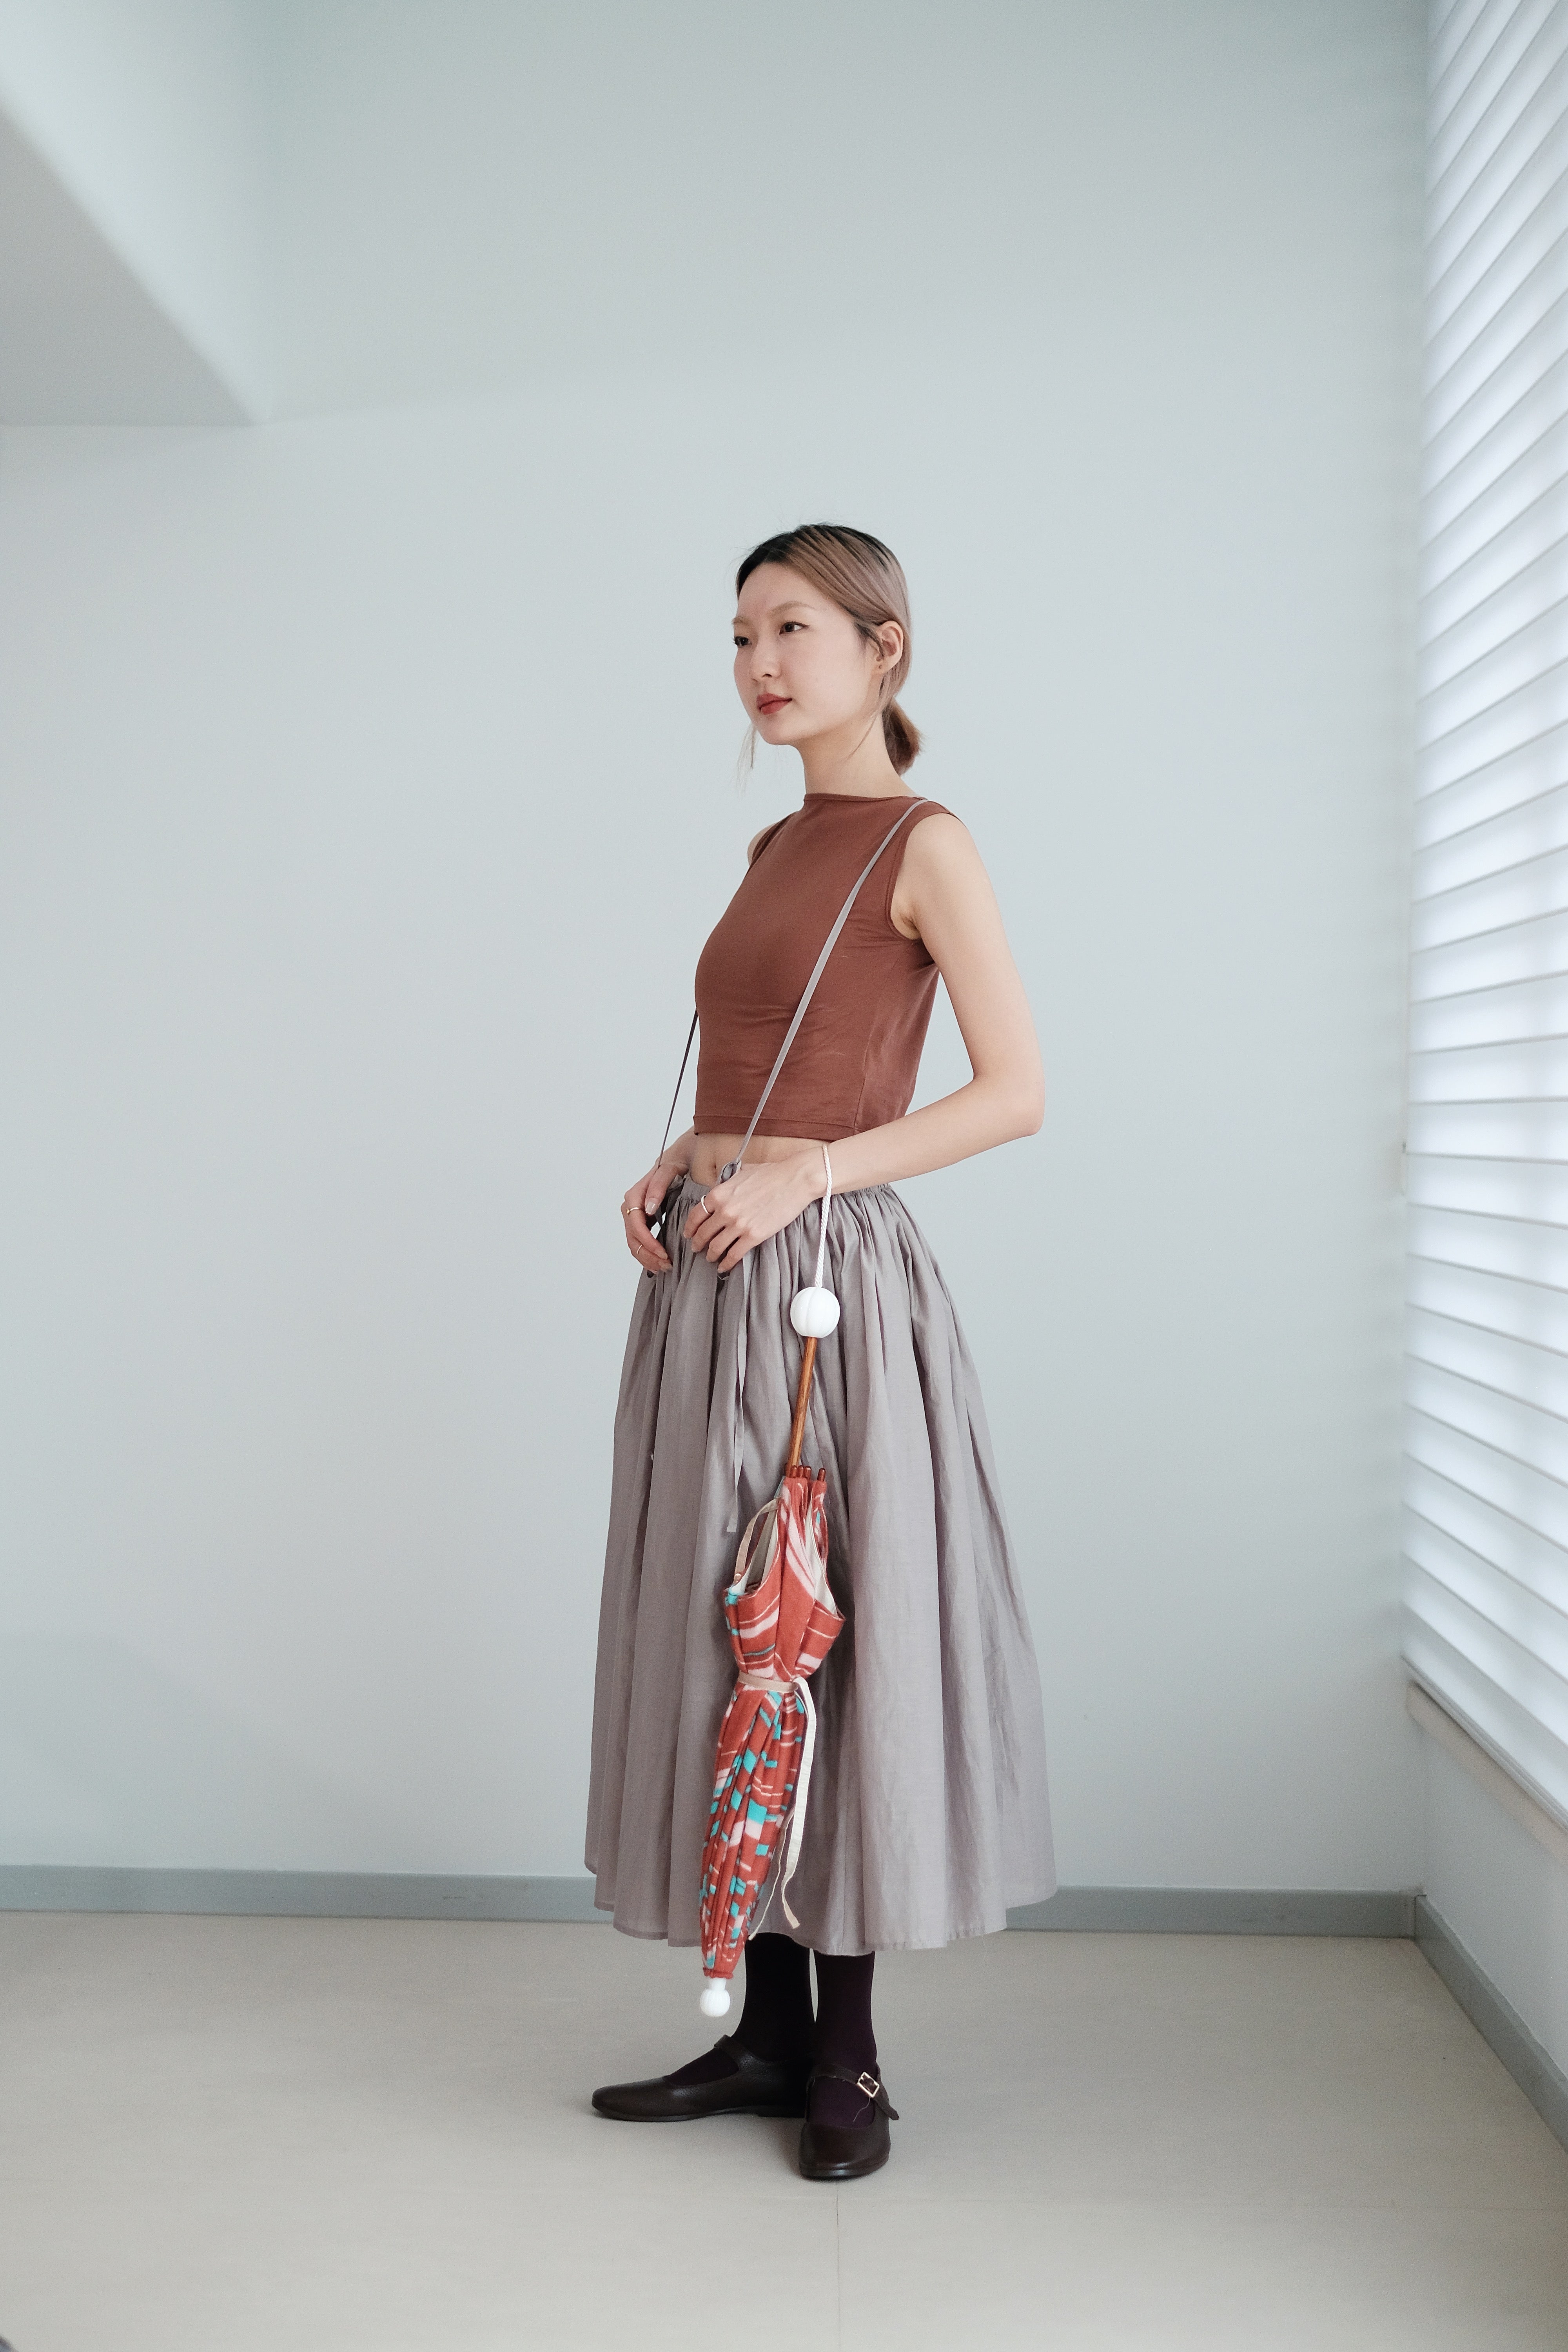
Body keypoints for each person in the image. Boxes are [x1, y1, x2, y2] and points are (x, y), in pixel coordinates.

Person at [585, 523, 1054, 2181]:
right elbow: (757, 1071)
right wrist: (687, 1154)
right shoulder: (777, 844)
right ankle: (764, 2036)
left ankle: (845, 2055)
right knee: (727, 1636)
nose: (759, 664)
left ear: (884, 646)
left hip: (824, 1295)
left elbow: (1016, 1092)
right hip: (713, 1276)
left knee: (820, 1633)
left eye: (791, 628)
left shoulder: (927, 843)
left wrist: (805, 1174)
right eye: (739, 637)